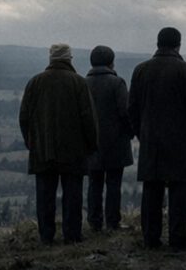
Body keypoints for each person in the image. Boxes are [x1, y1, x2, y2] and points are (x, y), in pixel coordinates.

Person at [128, 27, 186, 250]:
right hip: (180, 140)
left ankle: (150, 238)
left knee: (152, 189)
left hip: (150, 139)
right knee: (180, 190)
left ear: (158, 43)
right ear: (178, 45)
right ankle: (177, 238)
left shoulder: (140, 70)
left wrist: (141, 133)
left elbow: (132, 108)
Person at [19, 43, 98, 245]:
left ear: (51, 59)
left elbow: (24, 117)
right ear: (69, 59)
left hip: (43, 149)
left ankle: (46, 235)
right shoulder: (78, 82)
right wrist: (91, 145)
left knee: (45, 195)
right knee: (73, 194)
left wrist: (32, 142)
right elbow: (88, 117)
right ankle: (72, 235)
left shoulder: (35, 82)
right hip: (74, 149)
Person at [85, 45, 133, 233]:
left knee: (94, 184)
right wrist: (129, 132)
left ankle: (94, 222)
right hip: (115, 141)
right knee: (114, 183)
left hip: (91, 142)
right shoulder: (117, 83)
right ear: (111, 62)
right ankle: (113, 221)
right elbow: (125, 112)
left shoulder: (83, 83)